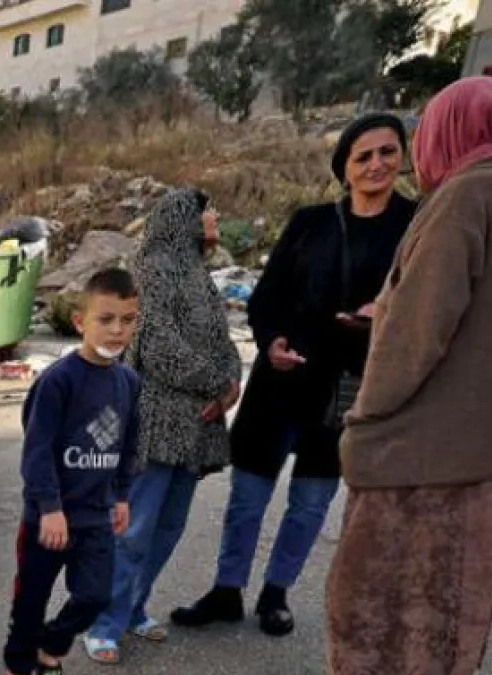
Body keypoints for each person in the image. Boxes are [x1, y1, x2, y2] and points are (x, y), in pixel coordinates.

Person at [321, 76, 492, 675]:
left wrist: (366, 420)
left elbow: (418, 331)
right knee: (448, 580)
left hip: (424, 438)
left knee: (383, 578)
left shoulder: (464, 200)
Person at [172, 114, 418, 638]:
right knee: (248, 495)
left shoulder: (416, 226)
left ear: (402, 157)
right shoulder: (311, 223)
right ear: (345, 167)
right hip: (282, 378)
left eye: (387, 152)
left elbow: (426, 302)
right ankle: (226, 589)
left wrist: (384, 314)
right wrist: (273, 341)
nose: (376, 164)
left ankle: (276, 594)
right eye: (363, 156)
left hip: (347, 386)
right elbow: (268, 295)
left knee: (310, 501)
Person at [80, 188, 242, 664]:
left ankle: (133, 607)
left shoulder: (197, 273)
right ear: (181, 219)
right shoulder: (151, 272)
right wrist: (216, 382)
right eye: (206, 210)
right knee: (134, 529)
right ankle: (103, 621)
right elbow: (156, 345)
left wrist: (230, 383)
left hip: (195, 424)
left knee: (168, 526)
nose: (213, 216)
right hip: (157, 420)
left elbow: (222, 339)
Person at [3, 267, 141, 675]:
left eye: (127, 319)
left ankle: (52, 644)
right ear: (81, 322)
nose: (117, 329)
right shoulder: (59, 381)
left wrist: (121, 496)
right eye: (106, 319)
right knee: (32, 596)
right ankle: (19, 668)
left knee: (96, 596)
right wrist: (49, 508)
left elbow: (127, 445)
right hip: (50, 518)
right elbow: (38, 449)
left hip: (96, 516)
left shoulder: (127, 384)